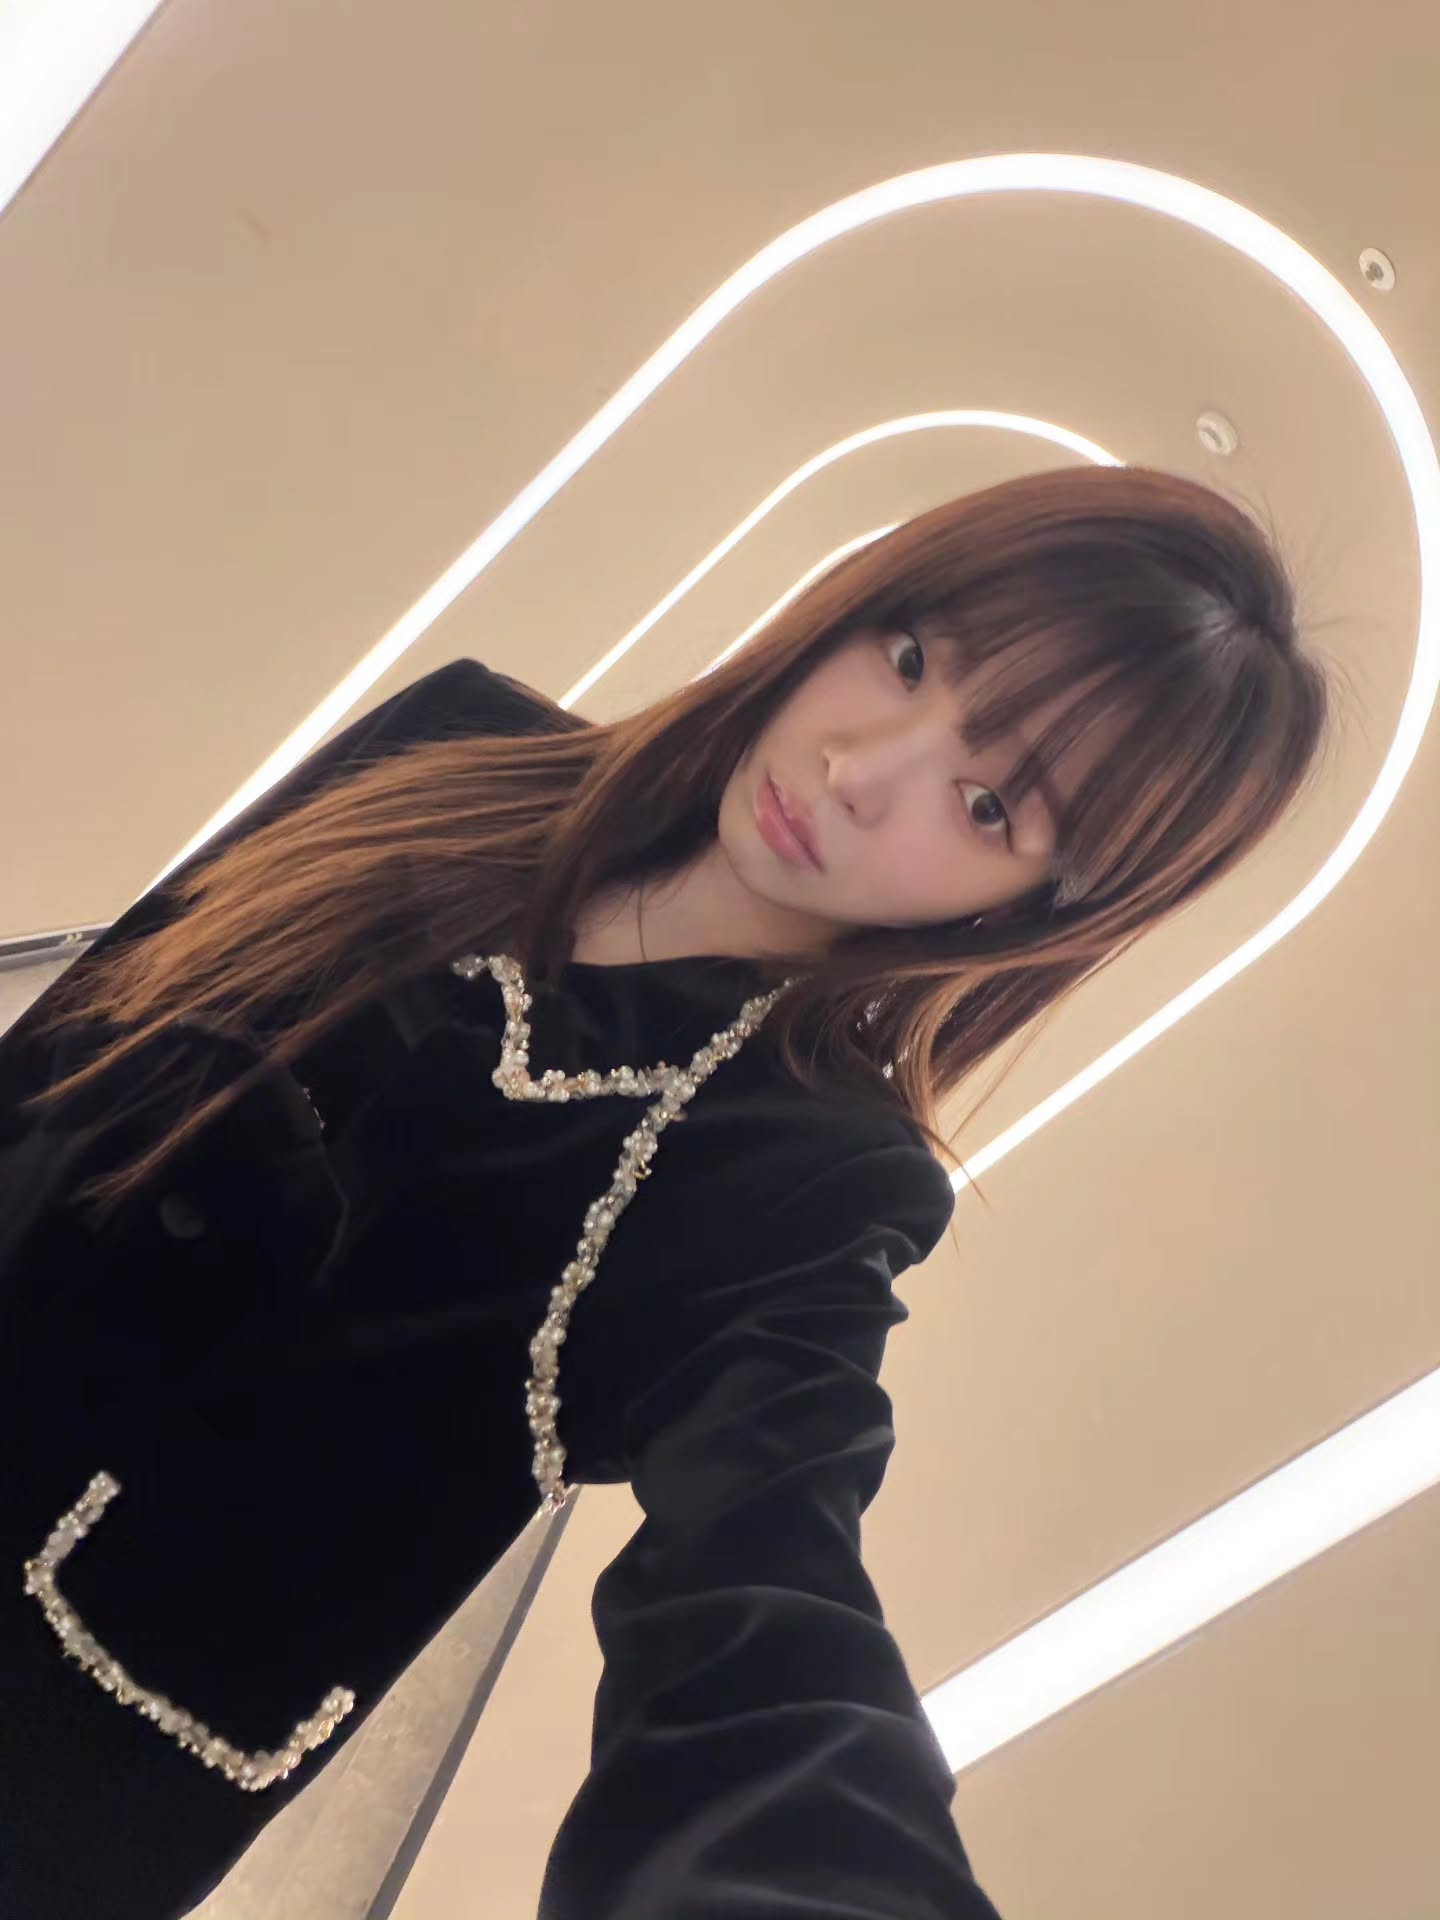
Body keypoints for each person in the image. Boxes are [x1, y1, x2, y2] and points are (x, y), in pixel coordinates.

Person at [0, 466, 1332, 1918]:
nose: (861, 771)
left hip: (55, 1746)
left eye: (987, 802)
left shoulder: (814, 1180)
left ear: (1028, 910)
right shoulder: (455, 743)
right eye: (909, 658)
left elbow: (769, 1579)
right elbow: (79, 1031)